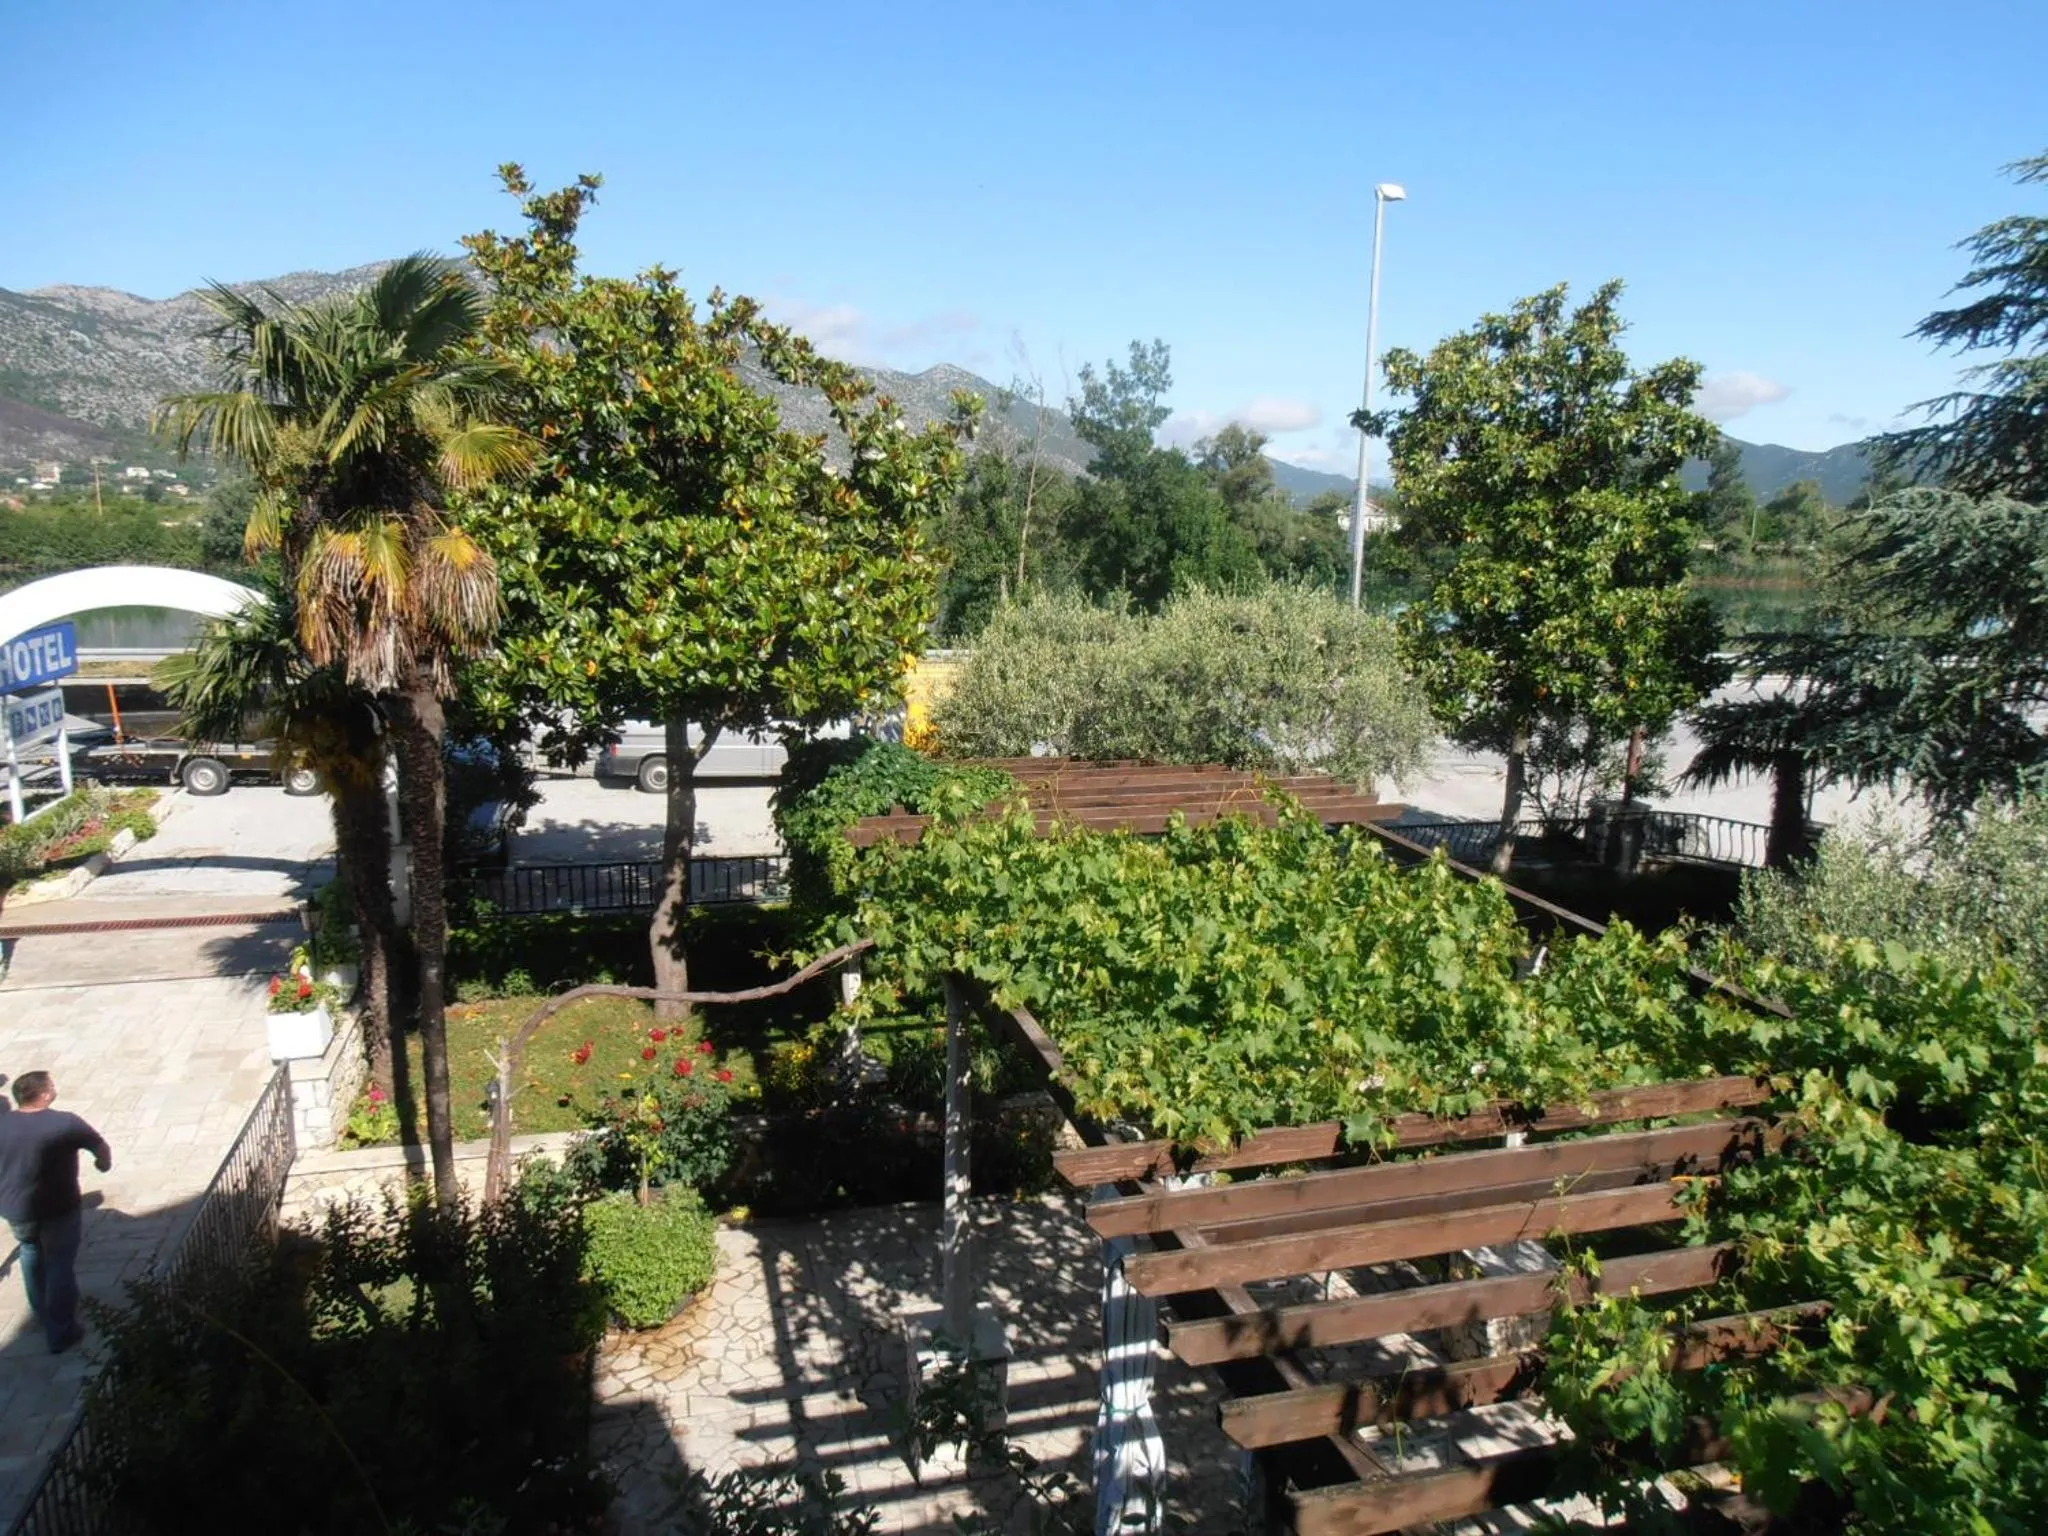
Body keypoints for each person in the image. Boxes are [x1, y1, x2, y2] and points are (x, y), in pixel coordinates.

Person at [0, 1071, 112, 1353]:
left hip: (16, 1209)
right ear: (44, 1094)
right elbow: (99, 1147)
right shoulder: (65, 1123)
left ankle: (42, 1313)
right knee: (59, 1264)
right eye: (51, 1086)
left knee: (30, 1254)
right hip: (58, 1207)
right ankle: (61, 1329)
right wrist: (103, 1164)